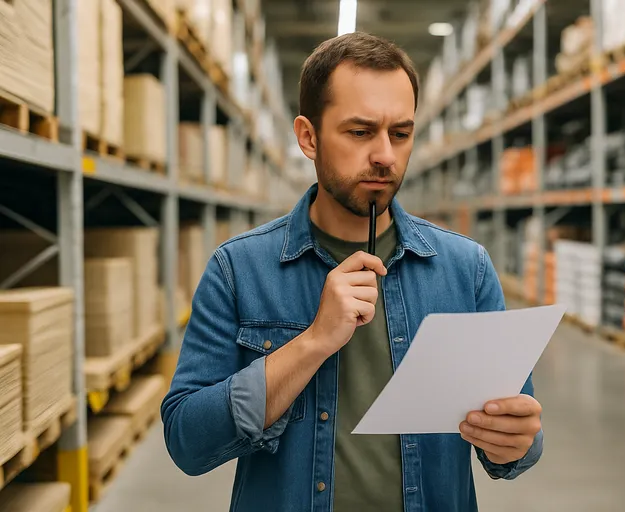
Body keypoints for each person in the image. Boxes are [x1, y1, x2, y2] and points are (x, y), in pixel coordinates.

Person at [161, 32, 543, 511]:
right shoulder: (239, 268)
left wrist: (516, 442)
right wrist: (313, 341)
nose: (385, 154)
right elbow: (186, 441)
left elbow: (514, 435)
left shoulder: (466, 269)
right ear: (308, 137)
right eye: (360, 132)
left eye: (400, 134)